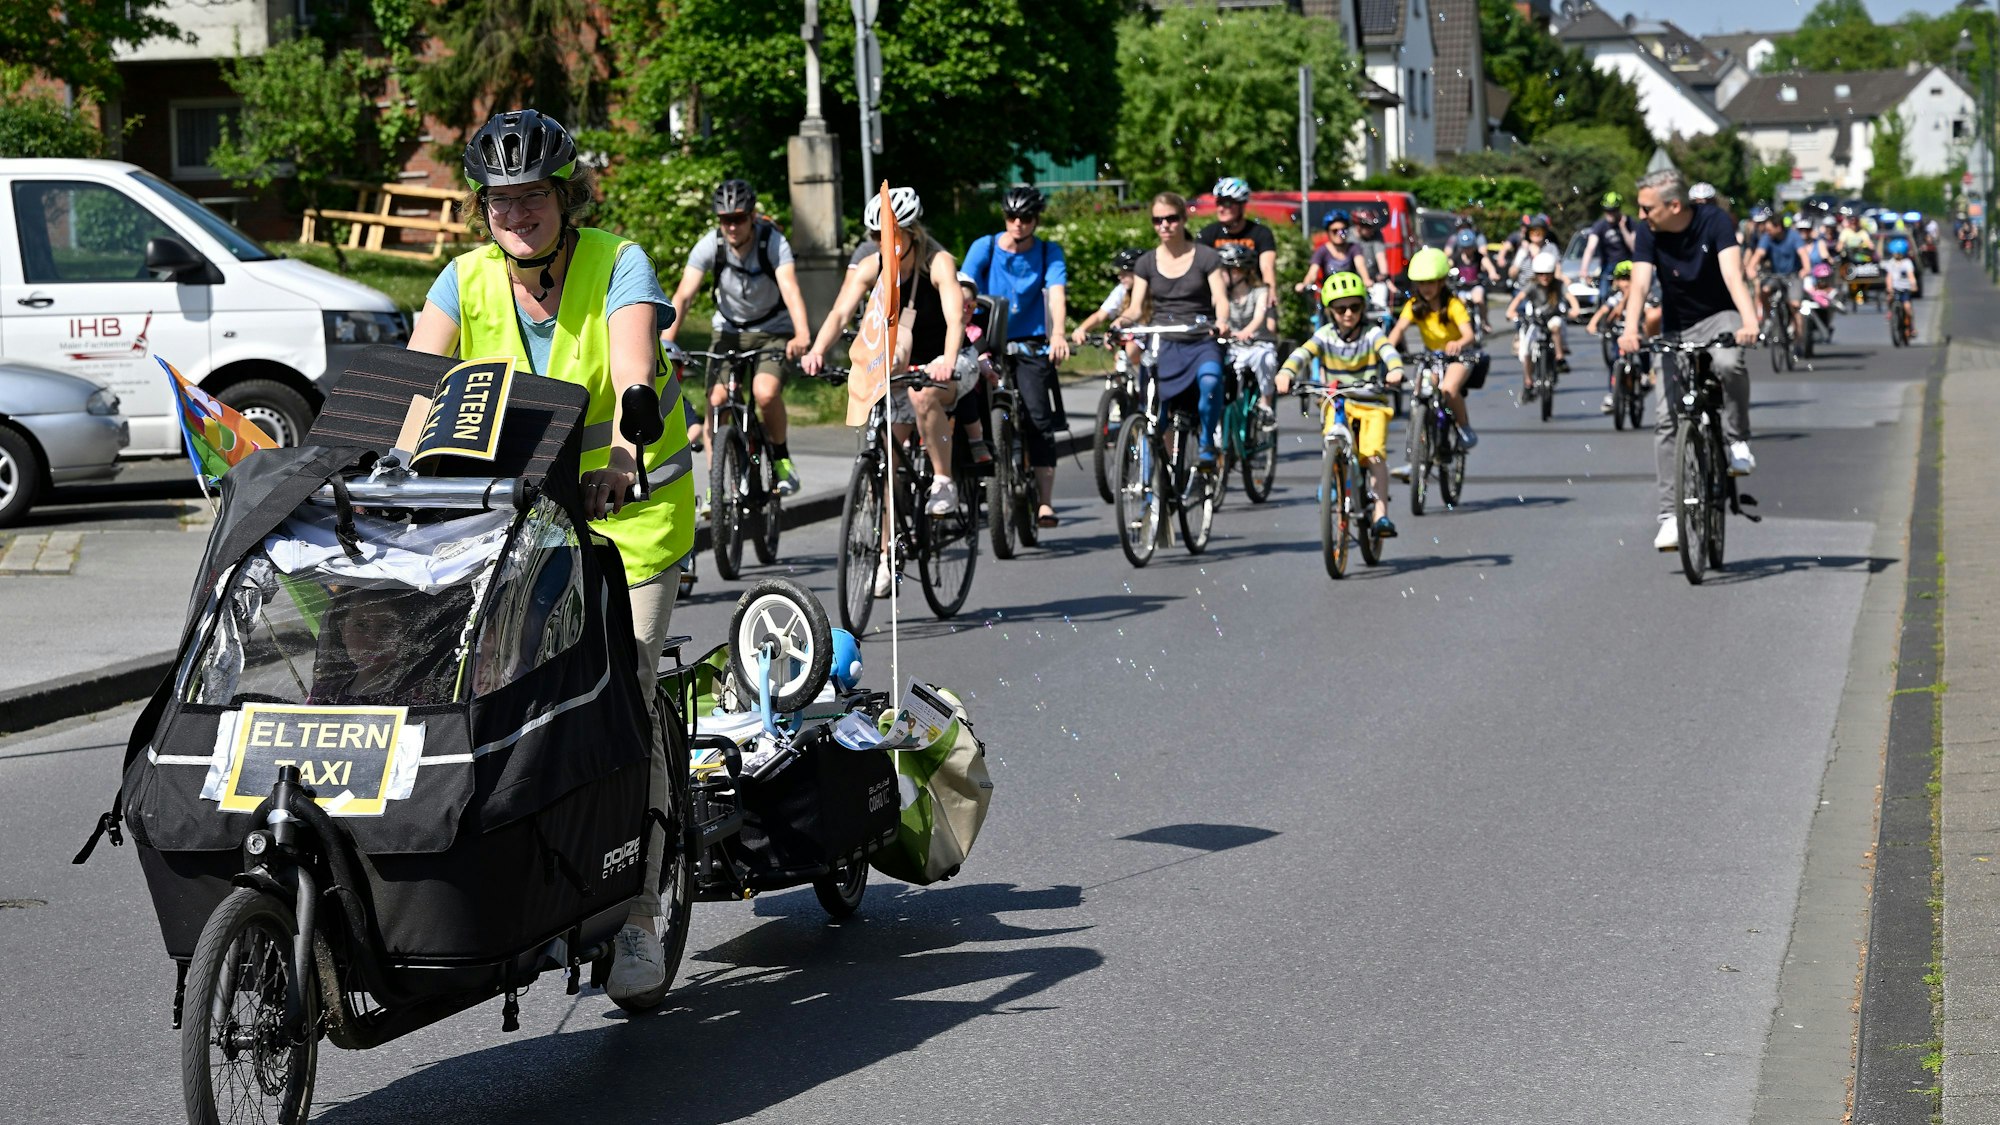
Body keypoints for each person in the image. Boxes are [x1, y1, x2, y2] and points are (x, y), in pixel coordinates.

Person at [406, 109, 698, 1009]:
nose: (518, 212)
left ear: (563, 197)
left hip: (628, 520)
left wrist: (627, 439)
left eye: (534, 195)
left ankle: (641, 914)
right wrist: (398, 466)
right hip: (521, 531)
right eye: (502, 199)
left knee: (628, 698)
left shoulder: (620, 262)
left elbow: (633, 358)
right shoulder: (464, 280)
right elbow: (419, 384)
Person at [800, 186, 966, 594]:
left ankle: (943, 481)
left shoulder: (937, 262)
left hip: (947, 361)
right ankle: (889, 555)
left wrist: (946, 358)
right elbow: (842, 310)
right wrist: (818, 351)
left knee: (924, 396)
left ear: (911, 231)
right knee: (890, 462)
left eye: (889, 234)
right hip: (898, 368)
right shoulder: (874, 265)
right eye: (875, 236)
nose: (881, 243)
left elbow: (955, 316)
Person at [1618, 167, 1762, 553]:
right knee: (1667, 417)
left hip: (1720, 315)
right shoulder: (1647, 232)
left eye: (1647, 208)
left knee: (1730, 363)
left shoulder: (1713, 221)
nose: (1641, 215)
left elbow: (1733, 275)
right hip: (1676, 325)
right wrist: (1631, 329)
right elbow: (1641, 283)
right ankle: (1670, 516)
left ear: (1674, 204)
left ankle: (1737, 441)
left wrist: (1749, 321)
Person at [663, 179, 813, 495]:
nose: (732, 226)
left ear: (752, 216)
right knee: (716, 402)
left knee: (765, 393)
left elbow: (790, 287)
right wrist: (668, 342)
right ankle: (716, 489)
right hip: (729, 331)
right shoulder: (710, 245)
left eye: (739, 218)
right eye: (725, 219)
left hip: (772, 330)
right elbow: (684, 295)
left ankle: (782, 459)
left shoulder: (773, 242)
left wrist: (802, 334)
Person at [962, 185, 1070, 528]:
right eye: (1011, 217)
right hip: (987, 337)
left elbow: (1055, 294)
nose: (1018, 224)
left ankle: (1045, 503)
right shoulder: (985, 247)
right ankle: (972, 485)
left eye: (1025, 218)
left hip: (1031, 341)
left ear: (1036, 219)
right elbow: (964, 286)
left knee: (1039, 418)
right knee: (966, 402)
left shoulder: (1047, 253)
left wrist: (1057, 334)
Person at [1274, 271, 1403, 539]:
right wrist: (1286, 372)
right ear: (1331, 311)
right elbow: (1303, 353)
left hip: (1371, 404)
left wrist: (1394, 370)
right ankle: (1333, 476)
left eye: (1354, 307)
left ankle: (1381, 514)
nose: (1348, 314)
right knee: (1331, 438)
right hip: (1338, 402)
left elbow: (1388, 351)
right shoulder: (1325, 335)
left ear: (1363, 308)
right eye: (1341, 308)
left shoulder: (1372, 334)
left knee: (1374, 454)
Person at [1115, 191, 1231, 464]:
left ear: (1183, 219)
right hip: (1162, 340)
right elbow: (1135, 307)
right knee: (1154, 412)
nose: (1164, 225)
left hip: (1200, 337)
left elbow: (1221, 299)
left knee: (1211, 381)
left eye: (1171, 219)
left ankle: (1206, 444)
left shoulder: (1206, 257)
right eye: (1157, 220)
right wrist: (1121, 322)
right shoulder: (1146, 262)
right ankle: (1157, 476)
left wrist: (1222, 321)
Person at [1387, 247, 1479, 449]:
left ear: (1441, 282)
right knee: (1420, 393)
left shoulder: (1453, 304)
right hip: (1431, 357)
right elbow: (1399, 329)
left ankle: (1464, 427)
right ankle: (1418, 452)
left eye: (1430, 283)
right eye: (1421, 283)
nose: (1425, 288)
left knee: (1448, 388)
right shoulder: (1414, 304)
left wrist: (1458, 343)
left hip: (1459, 357)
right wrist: (1386, 352)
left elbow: (1470, 335)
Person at [1197, 177, 1279, 333]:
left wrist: (1271, 291)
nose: (1221, 208)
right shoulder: (1208, 234)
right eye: (1219, 203)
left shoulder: (1260, 233)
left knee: (1270, 328)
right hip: (1219, 296)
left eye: (1227, 203)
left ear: (1242, 205)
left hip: (1254, 295)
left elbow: (1267, 266)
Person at [1585, 260, 1661, 411]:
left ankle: (1645, 374)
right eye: (1622, 279)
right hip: (1619, 333)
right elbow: (1604, 310)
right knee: (1615, 361)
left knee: (1643, 351)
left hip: (1638, 334)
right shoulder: (1616, 297)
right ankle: (1611, 393)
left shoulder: (1644, 296)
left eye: (1629, 279)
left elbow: (1650, 312)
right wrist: (1593, 323)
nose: (1625, 284)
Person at [1217, 243, 1278, 420]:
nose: (1219, 276)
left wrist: (1246, 331)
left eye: (1223, 271)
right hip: (1233, 346)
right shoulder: (1223, 296)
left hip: (1257, 343)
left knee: (1266, 359)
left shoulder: (1260, 292)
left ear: (1237, 271)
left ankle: (1266, 402)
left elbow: (1259, 316)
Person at [1506, 250, 1580, 376]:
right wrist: (1511, 311)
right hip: (1536, 319)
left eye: (1548, 274)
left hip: (1552, 316)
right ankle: (1528, 381)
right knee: (1527, 350)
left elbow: (1570, 297)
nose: (1544, 277)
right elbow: (1519, 298)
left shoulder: (1558, 284)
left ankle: (1559, 357)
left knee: (1556, 326)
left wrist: (1575, 309)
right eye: (1540, 274)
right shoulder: (1532, 284)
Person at [1744, 204, 1806, 349]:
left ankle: (1799, 340)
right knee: (1764, 290)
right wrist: (1751, 268)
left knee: (1795, 305)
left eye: (1770, 229)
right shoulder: (1767, 238)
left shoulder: (1793, 236)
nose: (1768, 232)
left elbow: (1803, 255)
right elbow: (1758, 254)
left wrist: (1805, 269)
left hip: (1792, 276)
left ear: (1779, 227)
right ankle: (1771, 317)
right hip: (1775, 275)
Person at [1580, 192, 1637, 308]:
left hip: (1628, 265)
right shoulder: (1600, 226)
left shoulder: (1629, 223)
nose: (1610, 214)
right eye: (1607, 210)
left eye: (1613, 210)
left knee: (1634, 294)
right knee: (1603, 295)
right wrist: (1584, 269)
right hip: (1608, 267)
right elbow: (1590, 248)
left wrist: (1623, 228)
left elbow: (1634, 247)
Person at [1298, 210, 1374, 295]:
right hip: (1330, 296)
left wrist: (1366, 280)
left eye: (1343, 230)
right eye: (1335, 231)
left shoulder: (1354, 248)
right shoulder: (1322, 251)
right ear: (1328, 232)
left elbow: (1360, 266)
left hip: (1352, 294)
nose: (1339, 234)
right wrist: (1305, 284)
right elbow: (1312, 273)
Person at [1884, 236, 1918, 339]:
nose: (1896, 254)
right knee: (1889, 298)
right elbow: (1889, 277)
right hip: (1895, 288)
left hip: (1905, 289)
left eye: (1898, 253)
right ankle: (1890, 312)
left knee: (1907, 307)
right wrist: (1889, 287)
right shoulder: (1891, 263)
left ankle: (1911, 327)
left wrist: (1913, 285)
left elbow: (1911, 276)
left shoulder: (1907, 263)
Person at [1507, 214, 1557, 282]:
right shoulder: (1523, 249)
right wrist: (1518, 260)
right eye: (1533, 231)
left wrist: (1537, 255)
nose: (1536, 233)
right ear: (1528, 234)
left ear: (1545, 233)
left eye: (1539, 231)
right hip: (1523, 287)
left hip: (1543, 288)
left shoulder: (1550, 248)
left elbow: (1557, 271)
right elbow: (1512, 274)